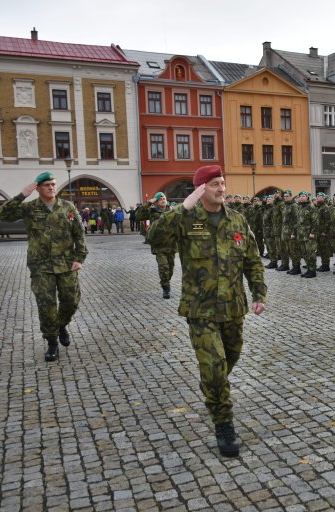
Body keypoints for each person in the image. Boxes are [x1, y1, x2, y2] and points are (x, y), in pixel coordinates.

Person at [147, 165, 266, 457]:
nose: (222, 189)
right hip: (200, 309)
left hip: (233, 308)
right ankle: (223, 422)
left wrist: (259, 293)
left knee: (228, 360)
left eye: (223, 183)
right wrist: (182, 208)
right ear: (201, 189)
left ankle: (213, 390)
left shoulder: (237, 220)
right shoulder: (188, 221)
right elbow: (156, 239)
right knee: (214, 368)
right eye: (215, 184)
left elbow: (252, 260)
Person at [0, 172, 87, 362]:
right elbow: (2, 215)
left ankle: (61, 325)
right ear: (38, 188)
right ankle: (52, 342)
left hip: (66, 264)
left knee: (71, 301)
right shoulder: (29, 208)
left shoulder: (67, 208)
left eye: (53, 184)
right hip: (41, 266)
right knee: (46, 305)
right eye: (46, 185)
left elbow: (79, 234)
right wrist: (22, 195)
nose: (51, 188)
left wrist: (80, 258)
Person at [137, 192, 176, 298]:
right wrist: (148, 203)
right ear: (157, 202)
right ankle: (166, 288)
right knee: (163, 267)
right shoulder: (151, 211)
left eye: (164, 198)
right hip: (158, 245)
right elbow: (138, 216)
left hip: (171, 244)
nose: (163, 199)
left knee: (171, 268)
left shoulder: (172, 211)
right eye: (160, 198)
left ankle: (166, 282)